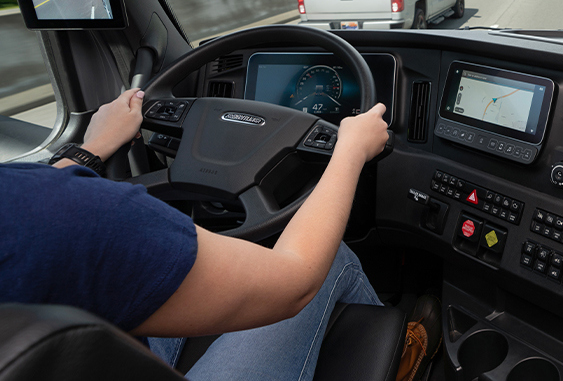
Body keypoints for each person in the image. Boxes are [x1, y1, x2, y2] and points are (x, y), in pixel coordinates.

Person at [0, 87, 421, 380]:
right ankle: (400, 352)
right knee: (331, 260)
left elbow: (29, 203)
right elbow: (294, 280)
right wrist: (350, 150)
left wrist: (85, 154)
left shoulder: (39, 210)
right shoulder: (75, 214)